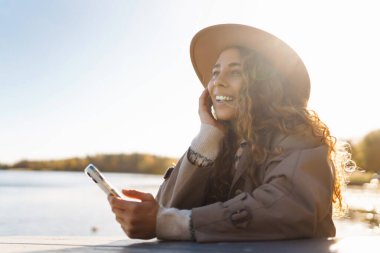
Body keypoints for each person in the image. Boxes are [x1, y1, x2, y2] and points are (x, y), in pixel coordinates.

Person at [108, 24, 353, 242]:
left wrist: (169, 222)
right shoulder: (220, 143)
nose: (217, 82)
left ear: (265, 85)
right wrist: (206, 138)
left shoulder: (299, 136)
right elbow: (167, 209)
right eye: (215, 73)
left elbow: (288, 205)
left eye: (235, 72)